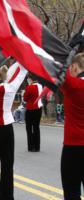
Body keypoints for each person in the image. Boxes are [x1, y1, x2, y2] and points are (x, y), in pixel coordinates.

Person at [0, 64, 27, 200]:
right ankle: (8, 196)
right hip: (8, 129)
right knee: (8, 165)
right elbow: (23, 72)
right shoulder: (12, 86)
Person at [60, 52, 84, 200]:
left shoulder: (74, 85)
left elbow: (56, 70)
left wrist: (67, 52)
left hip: (74, 147)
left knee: (71, 191)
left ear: (75, 67)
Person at [23, 74, 43, 152]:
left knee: (29, 128)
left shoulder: (30, 87)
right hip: (39, 108)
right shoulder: (40, 86)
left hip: (31, 109)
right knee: (36, 128)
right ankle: (37, 146)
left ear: (30, 79)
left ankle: (31, 146)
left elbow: (25, 98)